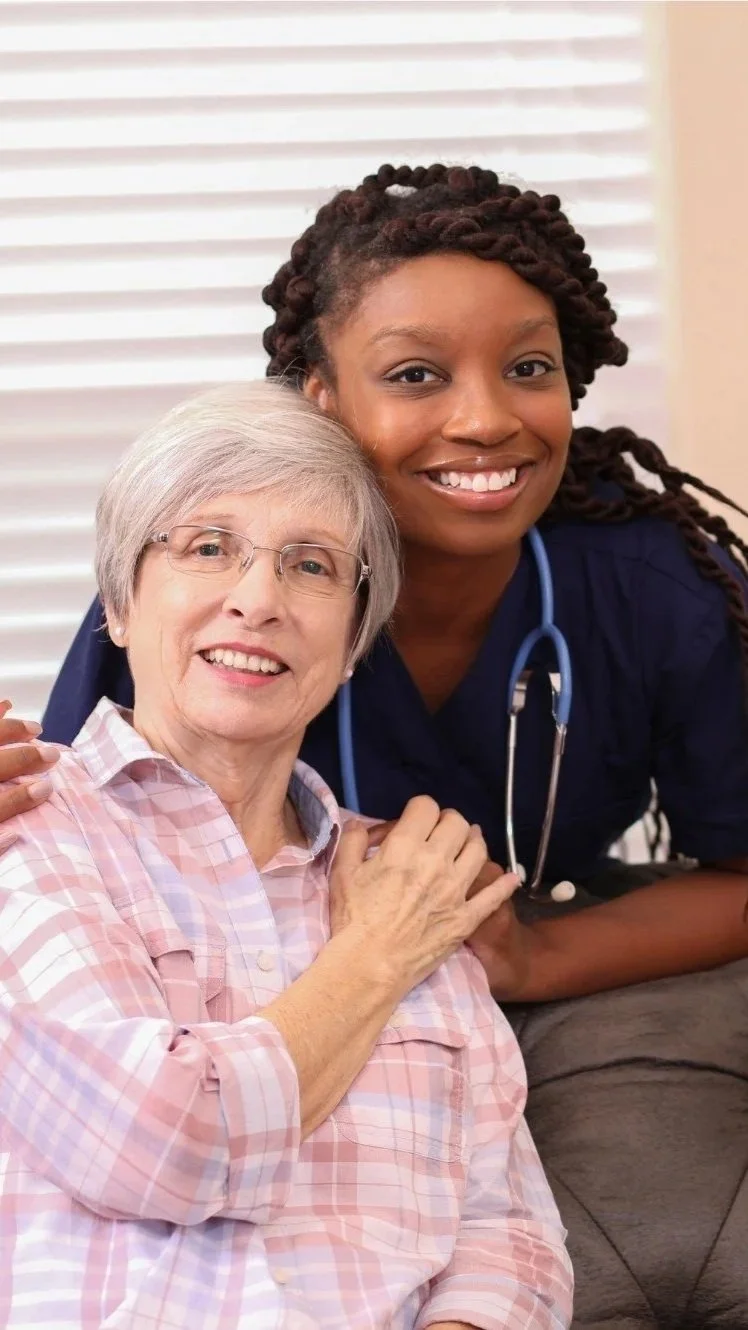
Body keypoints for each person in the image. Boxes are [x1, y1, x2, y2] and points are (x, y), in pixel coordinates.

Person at [4, 161, 748, 1324]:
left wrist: (524, 959)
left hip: (463, 962)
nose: (485, 417)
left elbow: (508, 1239)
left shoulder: (652, 589)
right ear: (318, 398)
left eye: (530, 368)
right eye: (413, 374)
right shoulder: (186, 616)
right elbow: (82, 843)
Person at [0, 380, 572, 1330]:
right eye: (208, 547)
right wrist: (378, 955)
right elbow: (165, 1140)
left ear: (353, 642)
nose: (258, 600)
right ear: (119, 602)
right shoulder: (29, 827)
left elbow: (506, 1231)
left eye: (312, 566)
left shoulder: (414, 879)